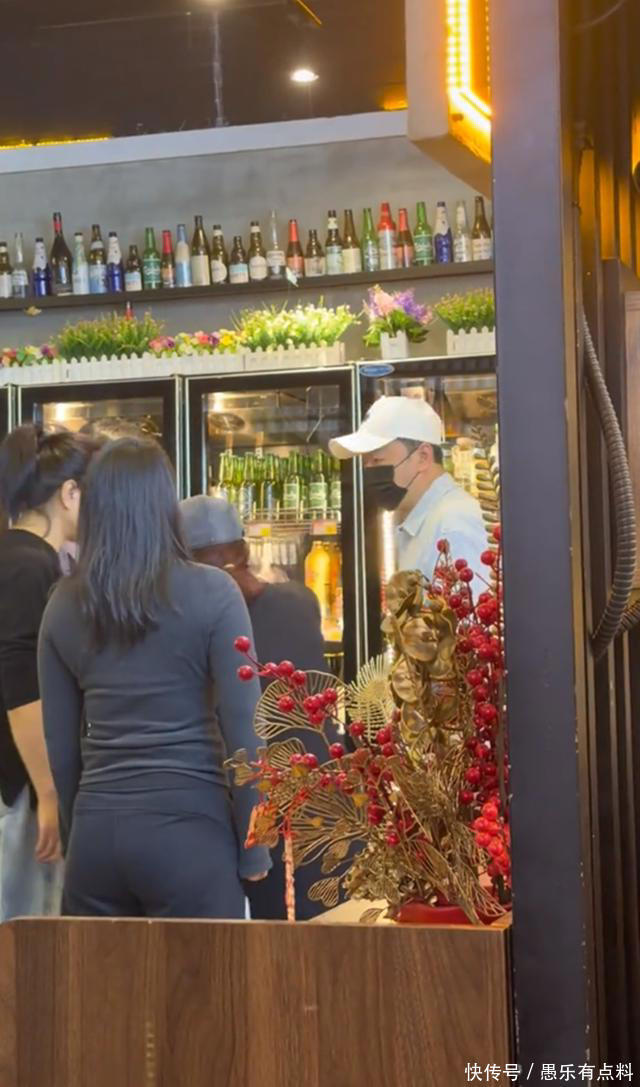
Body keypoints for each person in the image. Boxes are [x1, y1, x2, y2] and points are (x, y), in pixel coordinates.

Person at [38, 438, 269, 918]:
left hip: (97, 835)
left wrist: (79, 837)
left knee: (97, 972)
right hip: (191, 832)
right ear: (165, 506)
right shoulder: (214, 593)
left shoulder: (63, 603)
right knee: (210, 970)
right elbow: (245, 730)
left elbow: (60, 747)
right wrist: (255, 846)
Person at [179, 494, 334, 921]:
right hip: (322, 792)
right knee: (326, 932)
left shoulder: (198, 626)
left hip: (253, 803)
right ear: (245, 550)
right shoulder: (300, 601)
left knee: (264, 935)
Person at [0, 424, 98, 921]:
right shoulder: (28, 566)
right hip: (17, 788)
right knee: (24, 937)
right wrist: (48, 792)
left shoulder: (19, 556)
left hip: (17, 783)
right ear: (69, 492)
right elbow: (20, 687)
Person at [330, 395, 488, 585]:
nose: (369, 471)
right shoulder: (419, 520)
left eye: (377, 460)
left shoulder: (454, 526)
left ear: (423, 457)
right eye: (365, 463)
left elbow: (471, 602)